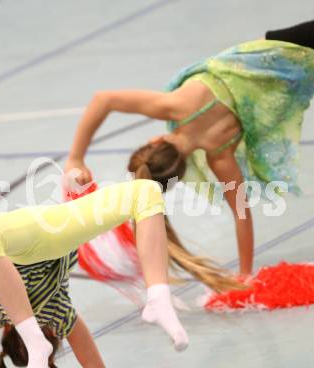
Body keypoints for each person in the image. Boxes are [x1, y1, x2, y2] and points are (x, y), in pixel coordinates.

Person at [64, 20, 314, 276]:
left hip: (301, 69)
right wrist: (76, 157)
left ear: (181, 173)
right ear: (155, 142)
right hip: (283, 49)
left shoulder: (220, 152)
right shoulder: (175, 105)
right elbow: (104, 99)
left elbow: (242, 215)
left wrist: (245, 274)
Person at [0, 180, 242, 368]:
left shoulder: (55, 317)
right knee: (146, 191)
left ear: (54, 335)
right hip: (56, 231)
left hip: (45, 234)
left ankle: (159, 300)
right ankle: (158, 294)